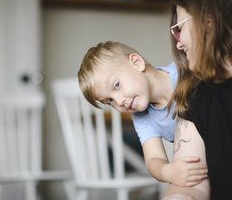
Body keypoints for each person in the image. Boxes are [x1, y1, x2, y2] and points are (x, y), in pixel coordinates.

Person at [77, 41, 208, 188]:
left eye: (117, 85)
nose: (119, 101)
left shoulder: (185, 72)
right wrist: (168, 171)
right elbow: (154, 158)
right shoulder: (142, 118)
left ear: (137, 62)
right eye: (109, 101)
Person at [167, 0, 232, 199]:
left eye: (179, 28)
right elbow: (190, 184)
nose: (178, 43)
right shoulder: (195, 96)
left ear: (207, 21)